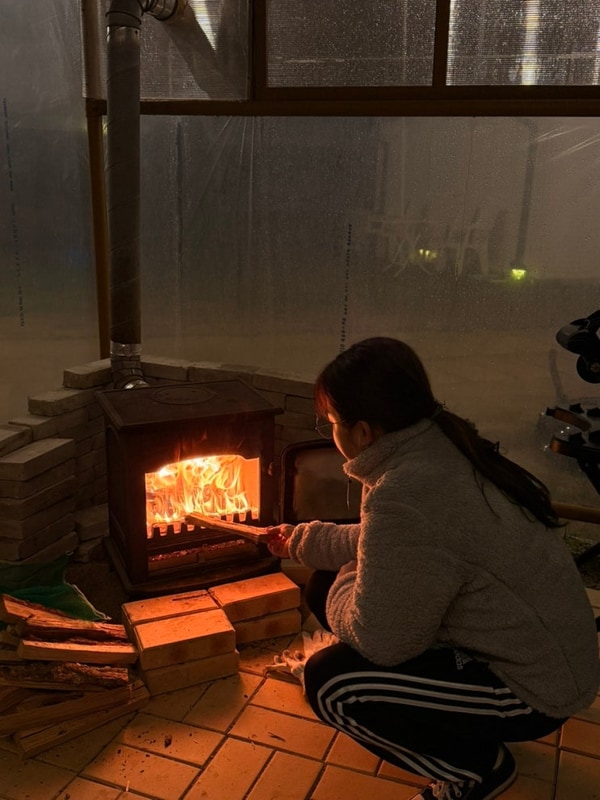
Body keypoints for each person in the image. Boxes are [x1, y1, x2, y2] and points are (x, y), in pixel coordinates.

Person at [265, 336, 600, 800]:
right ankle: (455, 721)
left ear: (363, 431)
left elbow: (383, 638)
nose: (332, 433)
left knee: (332, 683)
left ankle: (477, 771)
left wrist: (351, 578)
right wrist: (301, 540)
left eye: (332, 423)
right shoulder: (434, 447)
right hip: (536, 648)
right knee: (324, 583)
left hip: (531, 687)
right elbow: (399, 547)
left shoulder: (407, 489)